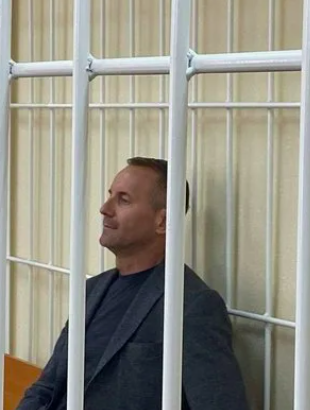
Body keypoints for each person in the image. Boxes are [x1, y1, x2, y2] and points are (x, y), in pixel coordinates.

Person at [16, 157, 248, 410]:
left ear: (162, 222)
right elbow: (48, 386)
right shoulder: (92, 290)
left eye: (123, 200)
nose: (105, 208)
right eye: (110, 195)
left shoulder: (191, 306)